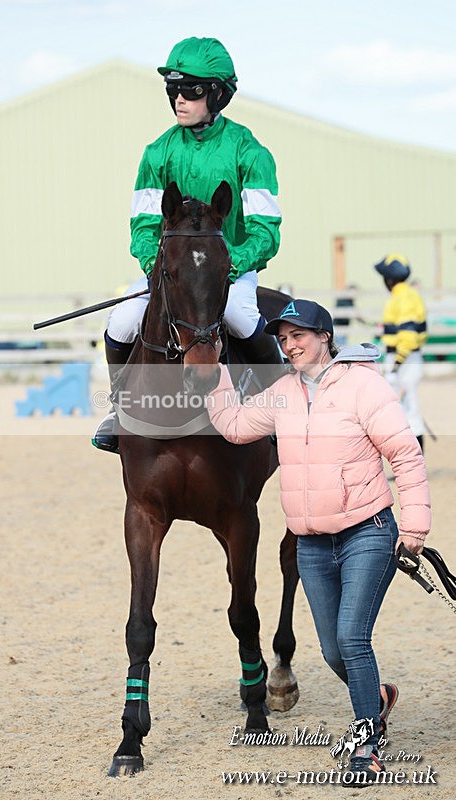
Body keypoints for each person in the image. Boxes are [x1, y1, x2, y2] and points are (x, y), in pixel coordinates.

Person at [205, 298, 431, 785]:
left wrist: (413, 526)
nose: (290, 346)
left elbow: (406, 457)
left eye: (298, 336)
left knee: (352, 639)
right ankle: (378, 700)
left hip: (367, 533)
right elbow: (234, 426)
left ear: (325, 336)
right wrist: (216, 370)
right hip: (311, 545)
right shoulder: (283, 392)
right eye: (283, 340)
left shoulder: (363, 385)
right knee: (331, 651)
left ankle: (366, 746)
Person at [92, 36, 282, 452]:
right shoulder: (156, 153)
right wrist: (153, 266)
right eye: (172, 90)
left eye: (191, 90)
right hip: (170, 271)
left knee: (241, 315)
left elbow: (266, 231)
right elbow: (142, 225)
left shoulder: (250, 152)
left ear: (216, 94)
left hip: (229, 270)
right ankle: (118, 408)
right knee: (122, 320)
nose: (179, 99)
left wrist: (229, 267)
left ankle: (282, 411)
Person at [374, 254, 427, 451]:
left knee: (408, 412)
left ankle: (416, 461)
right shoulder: (404, 296)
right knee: (403, 411)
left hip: (403, 360)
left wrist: (396, 364)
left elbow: (409, 334)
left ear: (389, 280)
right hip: (404, 359)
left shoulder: (403, 298)